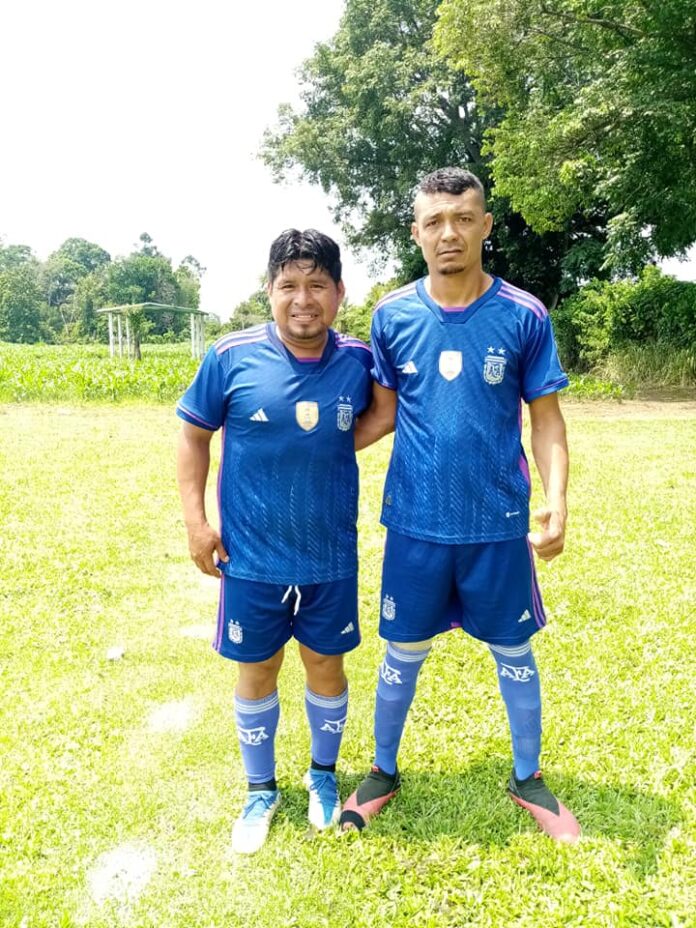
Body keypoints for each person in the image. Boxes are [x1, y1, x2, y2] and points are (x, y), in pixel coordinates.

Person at [339, 168, 580, 843]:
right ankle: (382, 772)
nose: (449, 232)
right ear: (416, 233)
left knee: (514, 650)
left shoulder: (524, 315)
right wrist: (304, 451)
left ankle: (528, 778)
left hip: (497, 523)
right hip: (415, 522)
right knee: (401, 652)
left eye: (463, 218)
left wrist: (557, 502)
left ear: (485, 226)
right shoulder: (391, 316)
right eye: (435, 221)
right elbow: (382, 413)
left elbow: (547, 419)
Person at [176, 229, 372, 854]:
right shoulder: (230, 356)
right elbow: (193, 436)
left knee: (326, 667)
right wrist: (196, 523)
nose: (303, 299)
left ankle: (322, 776)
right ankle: (260, 789)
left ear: (339, 292)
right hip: (251, 559)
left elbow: (388, 410)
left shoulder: (359, 360)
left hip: (329, 556)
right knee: (257, 669)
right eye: (289, 285)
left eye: (317, 285)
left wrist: (333, 442)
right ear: (269, 291)